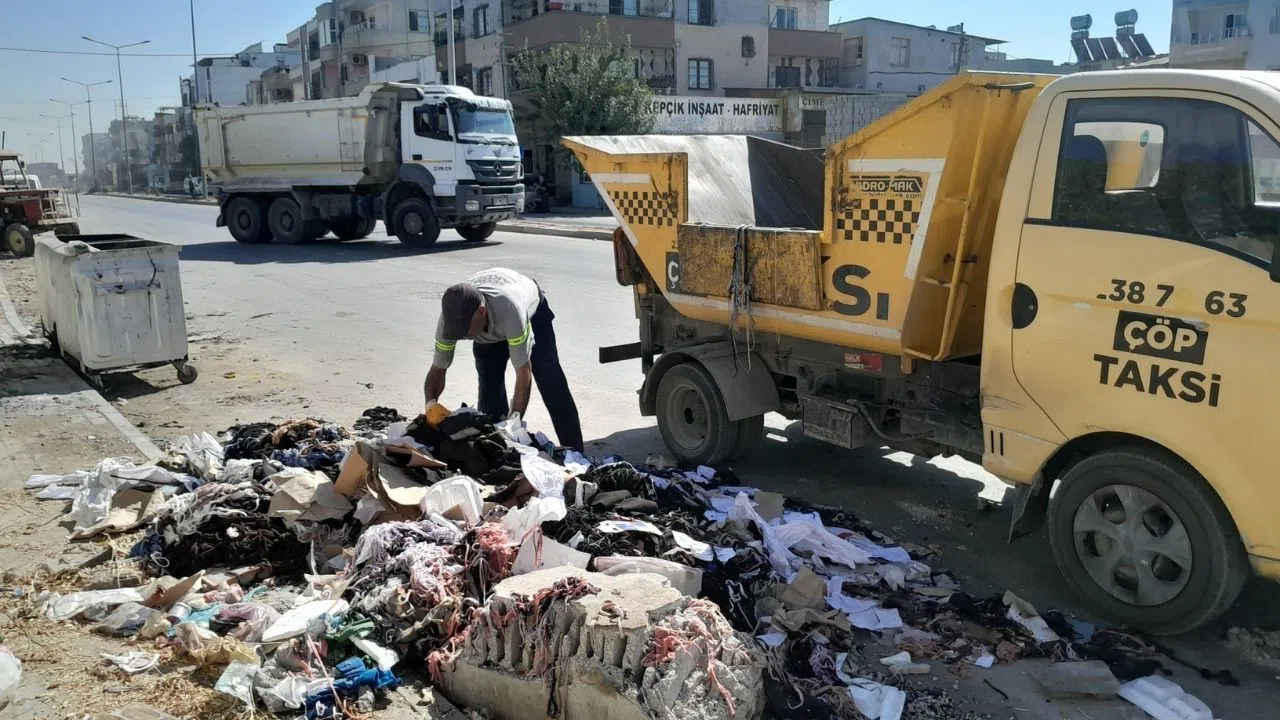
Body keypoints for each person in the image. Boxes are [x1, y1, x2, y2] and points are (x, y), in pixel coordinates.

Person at [425, 268, 584, 451]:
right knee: (489, 395)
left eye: (465, 331)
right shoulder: (451, 318)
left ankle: (578, 455)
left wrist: (513, 423)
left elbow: (524, 375)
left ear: (482, 312)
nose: (462, 336)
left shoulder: (511, 310)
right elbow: (438, 368)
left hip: (531, 317)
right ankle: (494, 451)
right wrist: (431, 405)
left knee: (551, 384)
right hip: (488, 331)